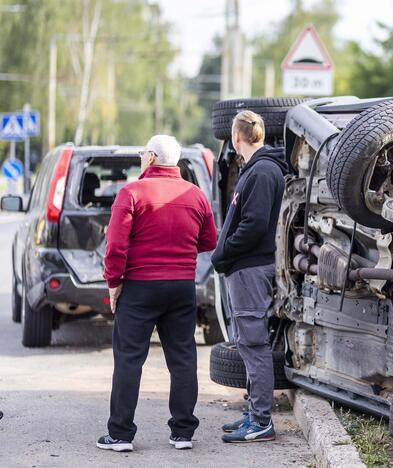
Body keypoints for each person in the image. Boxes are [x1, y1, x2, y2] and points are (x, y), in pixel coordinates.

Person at [98, 135, 217, 452]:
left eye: (142, 154)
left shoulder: (132, 193)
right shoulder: (196, 195)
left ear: (150, 158)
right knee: (182, 359)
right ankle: (183, 433)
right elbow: (209, 241)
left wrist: (114, 282)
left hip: (140, 287)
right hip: (181, 287)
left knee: (128, 360)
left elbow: (116, 246)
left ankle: (121, 435)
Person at [211, 110, 287, 443]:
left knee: (254, 344)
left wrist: (223, 253)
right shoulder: (258, 170)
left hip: (249, 268)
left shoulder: (263, 172)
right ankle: (254, 413)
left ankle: (261, 422)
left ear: (236, 137)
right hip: (246, 267)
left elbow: (254, 225)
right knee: (248, 342)